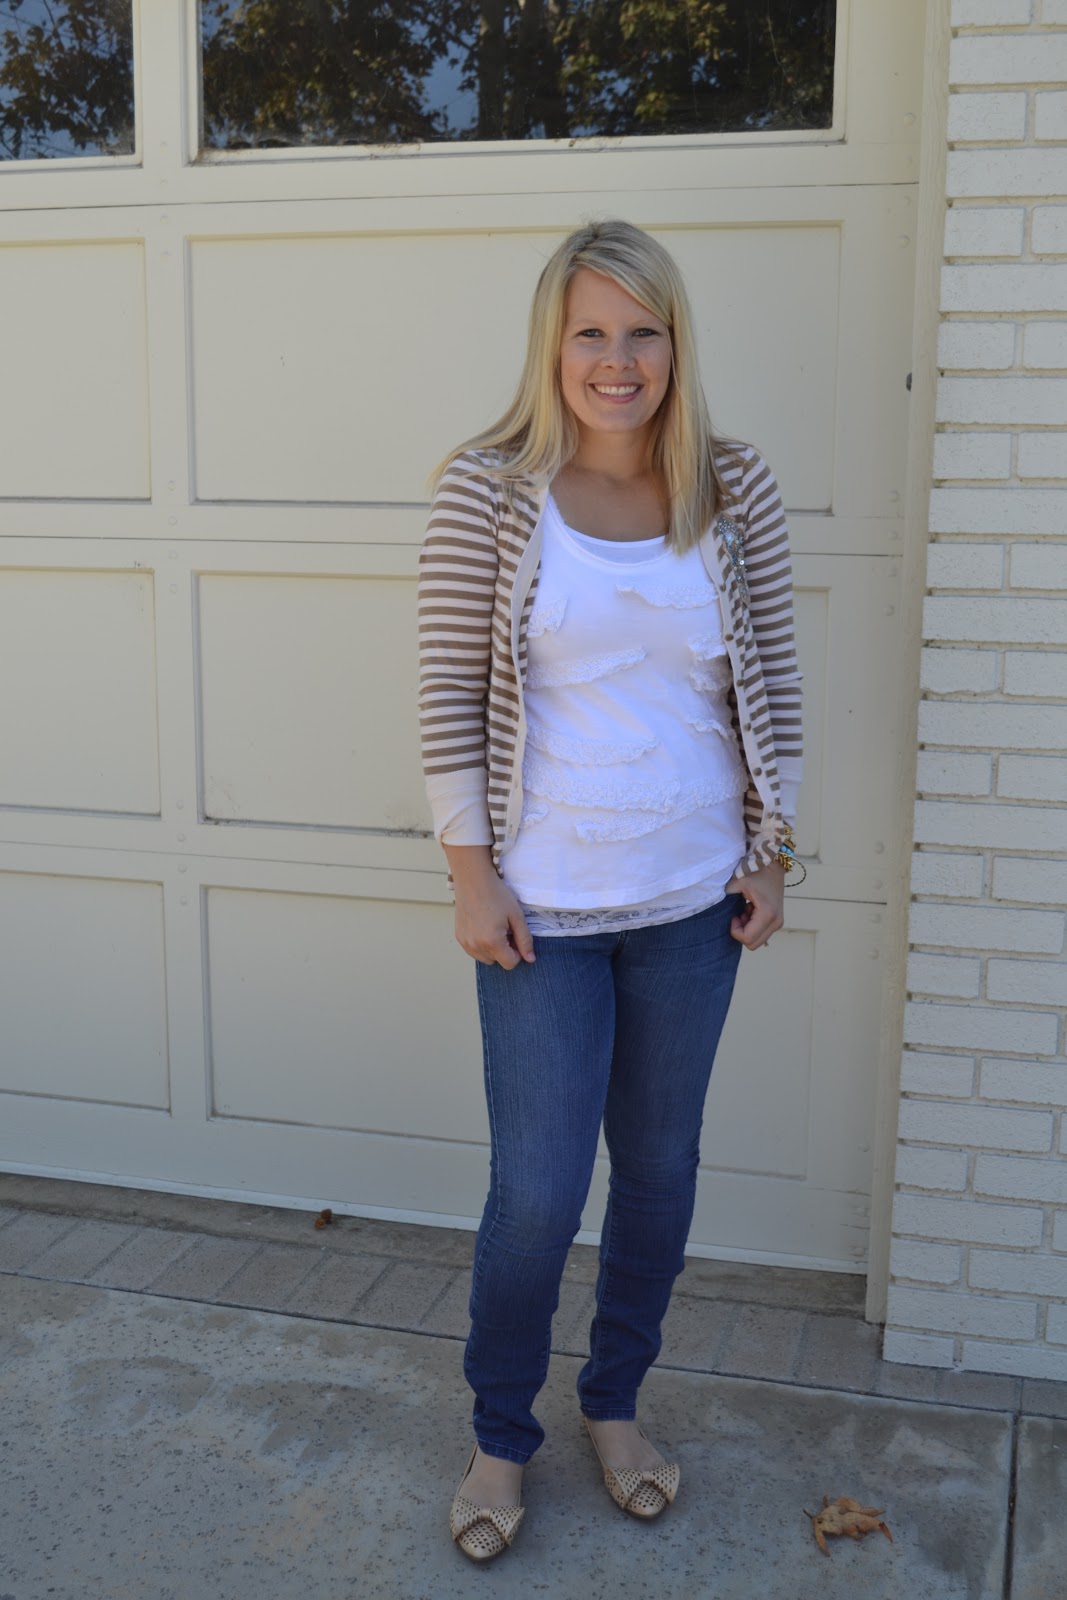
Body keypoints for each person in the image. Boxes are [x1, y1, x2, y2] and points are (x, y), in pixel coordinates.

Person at [417, 219, 803, 1563]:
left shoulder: (734, 489)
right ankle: (499, 1436)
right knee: (535, 1196)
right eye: (590, 331)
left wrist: (771, 851)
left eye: (643, 330)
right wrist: (471, 874)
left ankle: (616, 1404)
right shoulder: (489, 490)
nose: (617, 359)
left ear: (676, 344)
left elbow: (773, 685)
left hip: (694, 907)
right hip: (545, 917)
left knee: (657, 1176)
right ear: (553, 345)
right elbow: (446, 696)